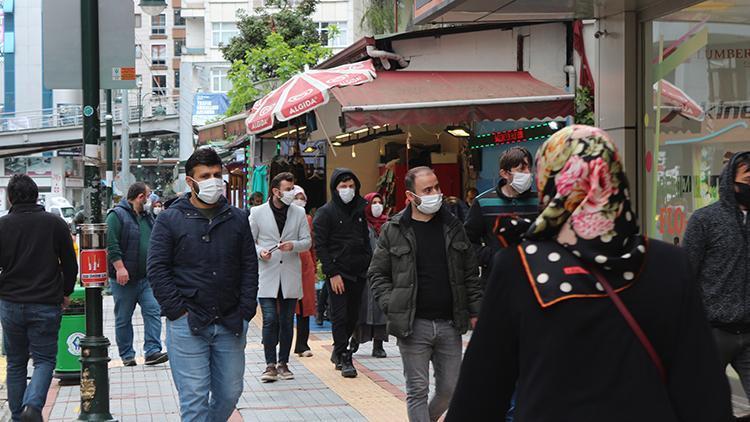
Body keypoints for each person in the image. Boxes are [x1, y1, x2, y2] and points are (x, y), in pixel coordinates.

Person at [447, 125, 733, 421]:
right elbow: (704, 390)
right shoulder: (668, 264)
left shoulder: (520, 266)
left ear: (551, 183)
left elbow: (480, 393)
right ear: (615, 176)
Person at [148, 147, 258, 422]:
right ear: (190, 181)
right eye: (205, 175)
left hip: (230, 320)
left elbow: (250, 267)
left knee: (230, 393)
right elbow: (157, 269)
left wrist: (246, 310)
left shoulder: (238, 218)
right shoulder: (169, 219)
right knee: (194, 399)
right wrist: (177, 311)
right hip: (187, 322)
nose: (213, 180)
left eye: (217, 174)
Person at [369, 167, 482, 422]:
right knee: (417, 390)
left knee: (450, 390)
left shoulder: (453, 226)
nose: (436, 194)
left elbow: (469, 273)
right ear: (410, 196)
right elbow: (377, 274)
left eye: (437, 188)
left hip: (449, 323)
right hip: (413, 325)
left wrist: (475, 311)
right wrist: (392, 304)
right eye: (427, 190)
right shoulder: (394, 228)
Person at [0, 175, 78, 422]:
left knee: (15, 362)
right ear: (37, 195)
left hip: (10, 303)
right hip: (46, 302)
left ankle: (17, 416)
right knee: (44, 360)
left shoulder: (2, 226)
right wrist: (65, 293)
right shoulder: (54, 223)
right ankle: (32, 407)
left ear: (10, 198)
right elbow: (70, 264)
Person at [683, 151, 750, 409]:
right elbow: (686, 271)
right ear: (730, 182)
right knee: (702, 403)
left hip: (748, 330)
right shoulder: (705, 220)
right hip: (712, 332)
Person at [249, 173, 311, 383]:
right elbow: (250, 241)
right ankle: (269, 364)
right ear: (276, 191)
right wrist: (260, 252)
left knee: (286, 320)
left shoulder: (299, 212)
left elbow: (307, 242)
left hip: (290, 272)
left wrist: (293, 245)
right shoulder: (257, 212)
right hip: (267, 272)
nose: (292, 193)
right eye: (288, 189)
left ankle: (283, 363)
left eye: (292, 188)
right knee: (270, 319)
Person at [313, 168, 372, 378]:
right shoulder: (325, 212)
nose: (347, 190)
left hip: (359, 271)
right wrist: (332, 273)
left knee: (353, 316)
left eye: (350, 186)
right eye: (342, 186)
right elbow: (321, 246)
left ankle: (341, 349)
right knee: (339, 315)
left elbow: (365, 238)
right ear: (334, 188)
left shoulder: (360, 210)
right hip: (338, 273)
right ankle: (343, 355)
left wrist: (368, 261)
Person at [106, 182, 168, 367]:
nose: (150, 201)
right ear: (140, 197)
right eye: (148, 196)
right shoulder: (116, 215)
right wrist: (120, 267)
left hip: (146, 277)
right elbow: (111, 242)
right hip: (124, 279)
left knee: (153, 311)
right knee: (123, 317)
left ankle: (152, 351)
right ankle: (127, 354)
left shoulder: (147, 217)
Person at [464, 147, 539, 288]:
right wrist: (490, 256)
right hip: (496, 281)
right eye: (521, 169)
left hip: (533, 281)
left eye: (529, 168)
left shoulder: (539, 202)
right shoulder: (483, 202)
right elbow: (467, 242)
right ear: (504, 173)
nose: (528, 174)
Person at [353, 192, 389, 358]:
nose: (376, 205)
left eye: (379, 202)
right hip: (364, 272)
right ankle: (355, 339)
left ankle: (378, 344)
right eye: (373, 202)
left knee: (381, 308)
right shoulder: (361, 224)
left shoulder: (387, 224)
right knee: (361, 307)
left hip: (383, 273)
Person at [291, 185, 318, 359]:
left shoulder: (308, 218)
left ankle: (302, 344)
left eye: (303, 198)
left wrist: (314, 266)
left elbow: (312, 243)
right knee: (286, 306)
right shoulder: (284, 218)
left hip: (306, 265)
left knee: (305, 306)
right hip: (288, 263)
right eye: (297, 197)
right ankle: (282, 342)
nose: (300, 201)